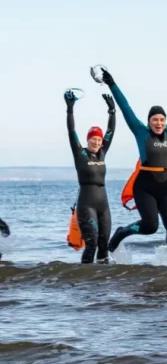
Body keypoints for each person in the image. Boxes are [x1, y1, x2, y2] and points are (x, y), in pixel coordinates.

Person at [103, 61, 167, 259]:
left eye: (161, 119)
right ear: (149, 121)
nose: (158, 123)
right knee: (150, 226)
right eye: (154, 120)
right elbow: (126, 108)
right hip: (144, 186)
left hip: (166, 187)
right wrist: (112, 84)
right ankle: (122, 232)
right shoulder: (141, 132)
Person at [65, 89, 116, 263]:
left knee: (103, 245)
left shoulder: (102, 153)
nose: (96, 142)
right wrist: (70, 109)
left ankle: (102, 282)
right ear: (88, 140)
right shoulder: (80, 154)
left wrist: (112, 111)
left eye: (99, 139)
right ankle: (85, 284)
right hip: (87, 205)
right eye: (93, 139)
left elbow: (111, 130)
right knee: (92, 244)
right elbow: (71, 131)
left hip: (104, 205)